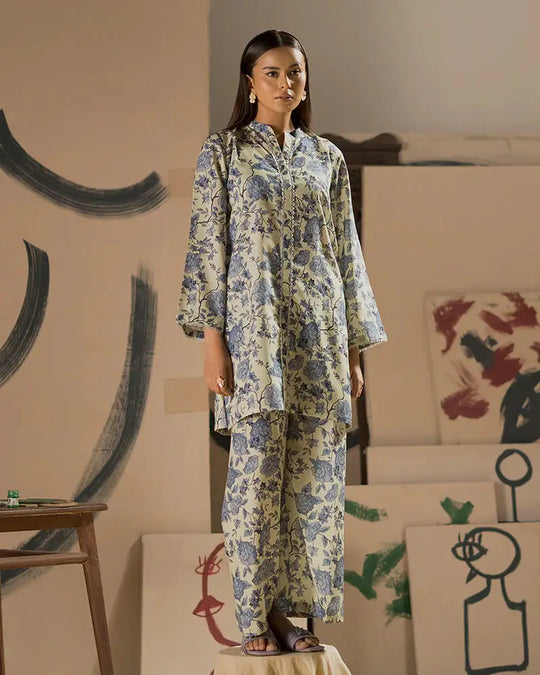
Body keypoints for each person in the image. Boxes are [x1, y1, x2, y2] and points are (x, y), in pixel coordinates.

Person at [177, 29, 387, 657]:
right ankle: (254, 616)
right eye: (271, 72)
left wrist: (352, 350)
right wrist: (212, 342)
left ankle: (294, 615)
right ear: (250, 83)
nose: (284, 83)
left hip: (320, 334)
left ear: (305, 80)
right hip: (254, 335)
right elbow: (208, 246)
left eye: (294, 71)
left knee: (315, 479)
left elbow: (346, 253)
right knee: (255, 478)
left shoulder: (327, 158)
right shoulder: (223, 153)